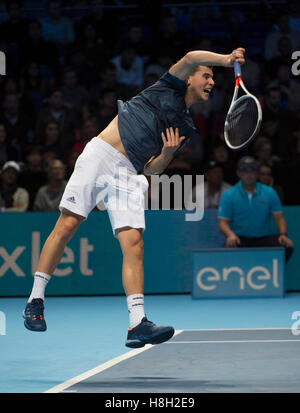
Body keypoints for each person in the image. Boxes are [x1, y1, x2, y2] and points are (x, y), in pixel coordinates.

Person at [23, 47, 245, 348]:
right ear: (189, 78)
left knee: (134, 244)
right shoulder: (168, 85)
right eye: (206, 76)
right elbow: (192, 56)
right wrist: (227, 60)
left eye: (213, 79)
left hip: (129, 173)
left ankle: (137, 323)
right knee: (67, 225)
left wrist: (167, 154)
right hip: (101, 154)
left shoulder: (185, 126)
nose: (211, 82)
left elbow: (151, 171)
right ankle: (35, 300)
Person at [218, 156, 294, 262]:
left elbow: (279, 218)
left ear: (257, 174)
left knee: (286, 246)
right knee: (230, 244)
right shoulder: (229, 195)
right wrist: (230, 235)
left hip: (263, 238)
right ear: (238, 173)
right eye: (245, 171)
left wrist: (283, 234)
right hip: (240, 238)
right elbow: (222, 222)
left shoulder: (269, 192)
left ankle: (272, 272)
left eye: (252, 171)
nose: (249, 175)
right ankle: (236, 276)